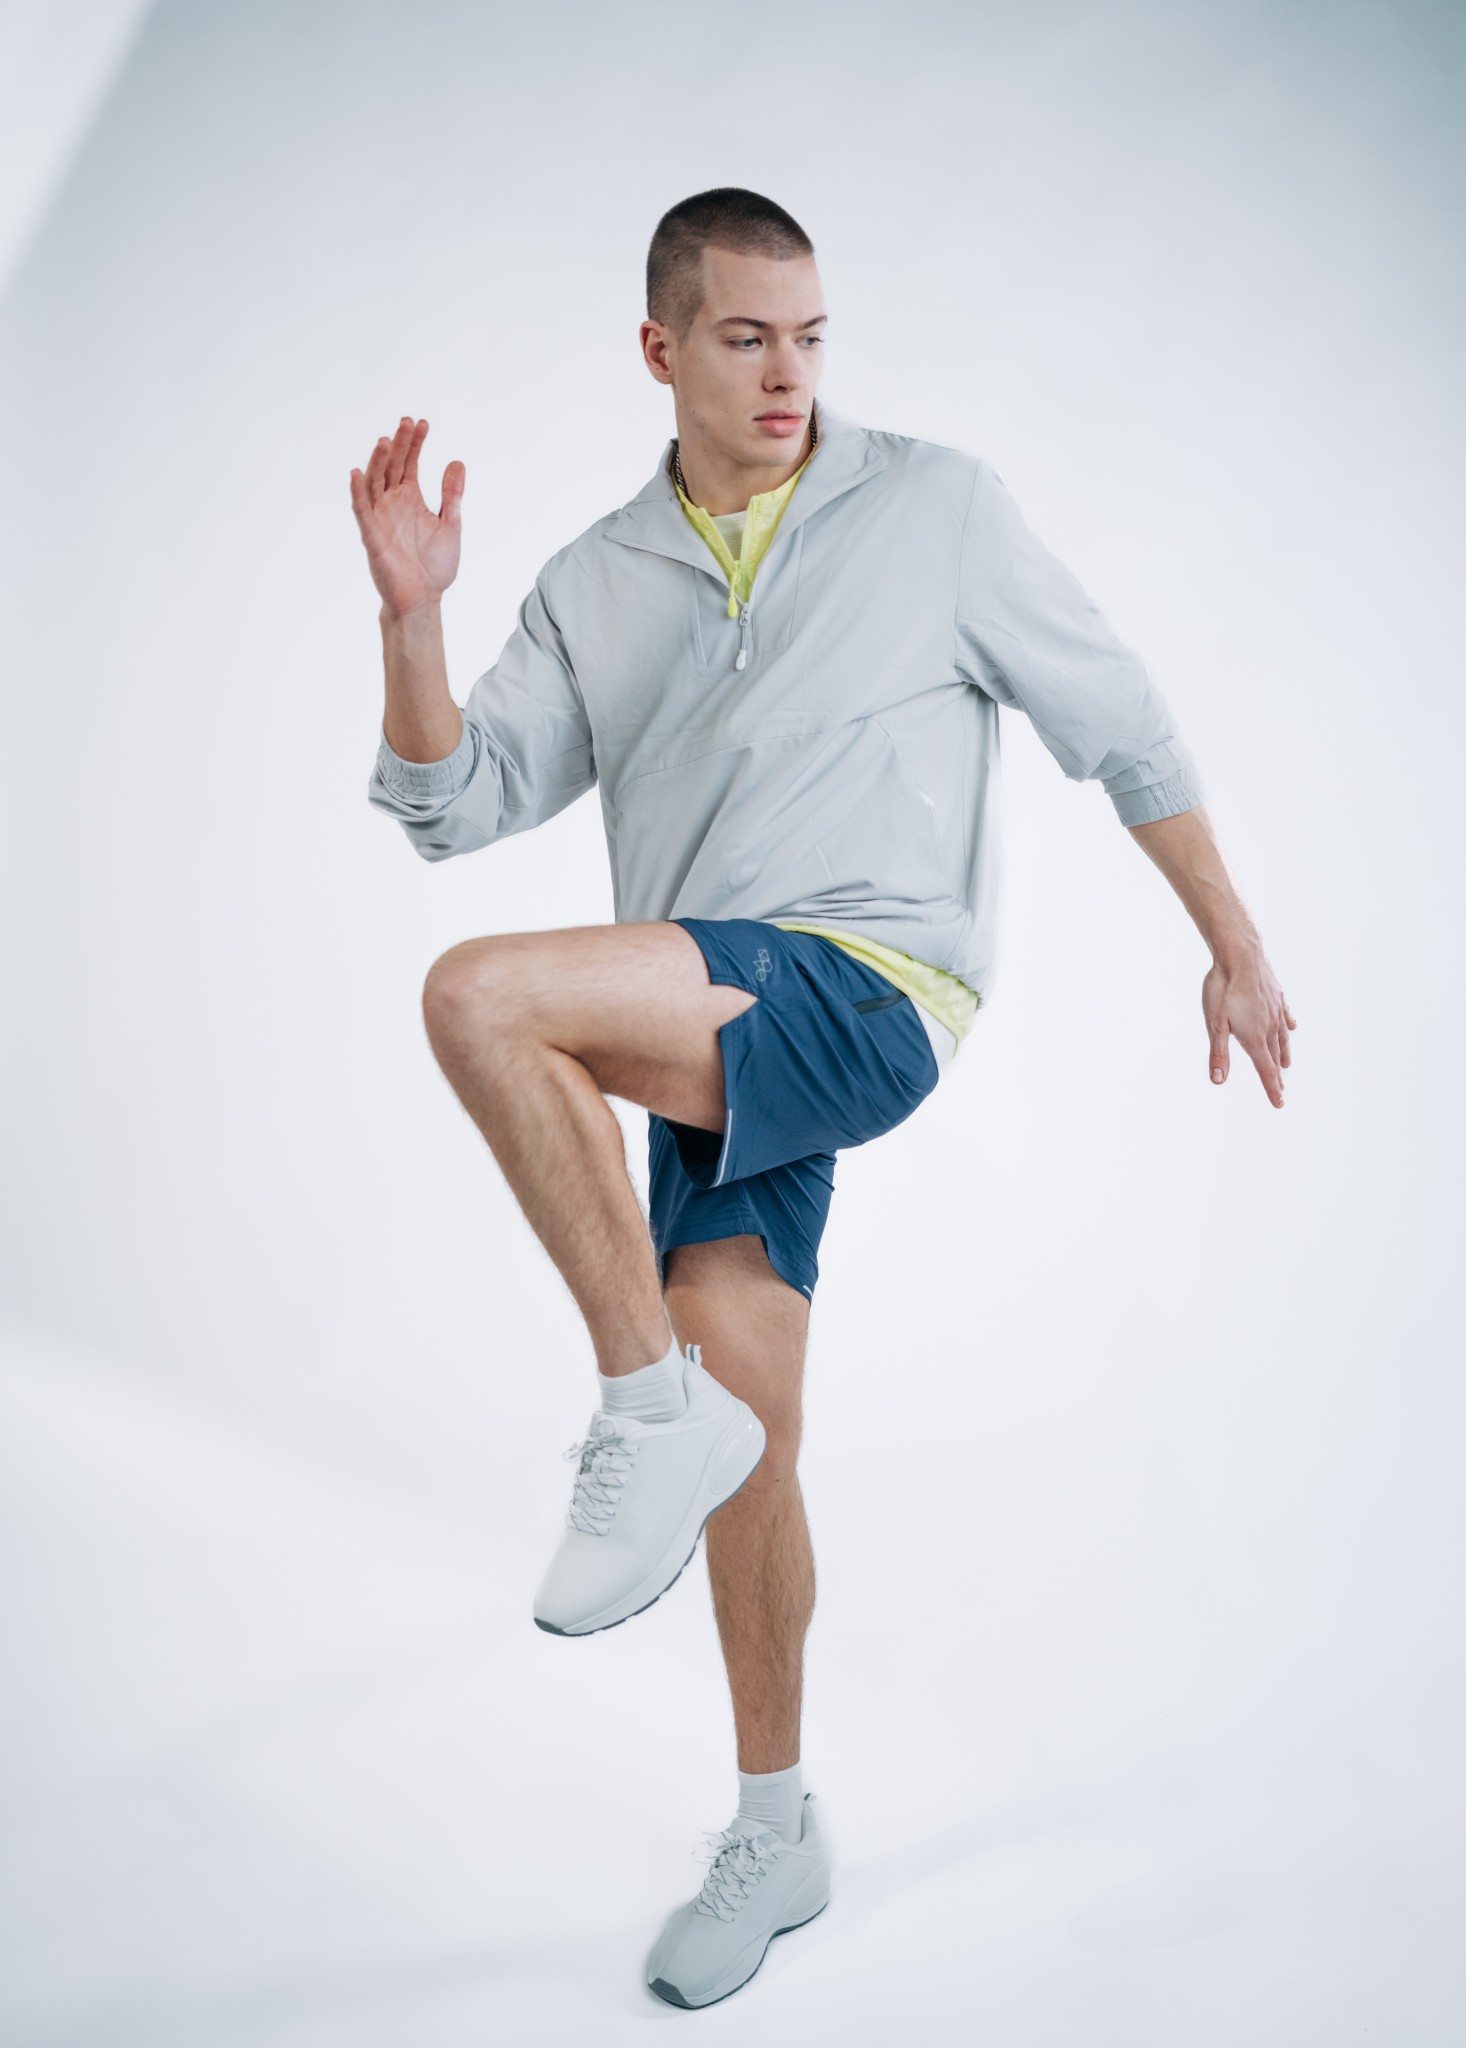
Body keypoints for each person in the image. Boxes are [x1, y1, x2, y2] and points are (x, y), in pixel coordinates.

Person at [350, 186, 1296, 2010]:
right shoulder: (596, 582)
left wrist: (1233, 943)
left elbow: (1122, 722)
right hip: (709, 1039)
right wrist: (411, 623)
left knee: (480, 997)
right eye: (744, 338)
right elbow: (447, 807)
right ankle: (776, 1826)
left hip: (864, 985)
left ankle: (640, 1405)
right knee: (755, 1444)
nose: (787, 374)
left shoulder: (936, 509)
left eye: (808, 337)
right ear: (661, 350)